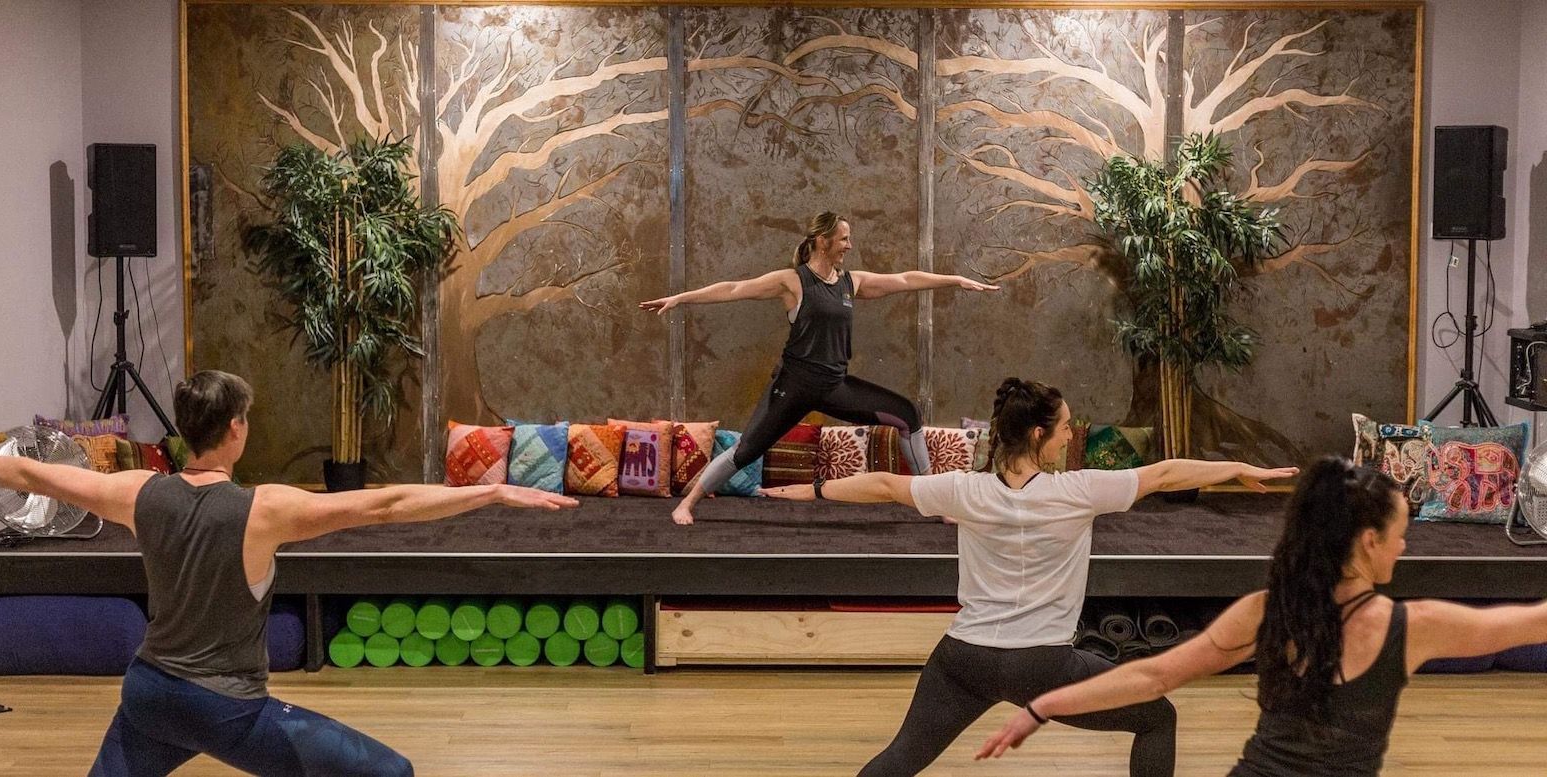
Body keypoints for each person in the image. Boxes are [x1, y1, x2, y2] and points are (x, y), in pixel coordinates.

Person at [0, 370, 577, 776]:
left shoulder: (139, 492)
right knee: (391, 773)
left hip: (150, 695)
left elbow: (29, 473)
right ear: (235, 429)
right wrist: (491, 495)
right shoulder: (264, 508)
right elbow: (385, 505)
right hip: (224, 707)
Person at [763, 377, 1297, 776]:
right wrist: (1238, 468)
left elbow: (884, 485)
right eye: (1064, 427)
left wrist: (813, 490)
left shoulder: (965, 489)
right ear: (1040, 433)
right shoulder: (1078, 491)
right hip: (1043, 664)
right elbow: (1163, 474)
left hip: (963, 658)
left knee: (902, 757)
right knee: (1156, 718)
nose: (1069, 435)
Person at [973, 456, 1547, 776]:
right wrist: (1041, 705)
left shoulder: (1270, 612)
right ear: (1369, 540)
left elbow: (1154, 675)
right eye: (1400, 536)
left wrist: (1042, 707)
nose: (1403, 548)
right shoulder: (1412, 626)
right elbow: (1529, 623)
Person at [641, 211, 999, 525]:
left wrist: (954, 280)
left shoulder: (849, 282)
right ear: (823, 240)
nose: (849, 245)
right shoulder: (793, 281)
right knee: (746, 451)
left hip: (834, 385)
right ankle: (687, 504)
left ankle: (935, 505)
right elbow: (735, 288)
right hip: (793, 387)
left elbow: (905, 280)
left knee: (908, 415)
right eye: (844, 238)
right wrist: (680, 298)